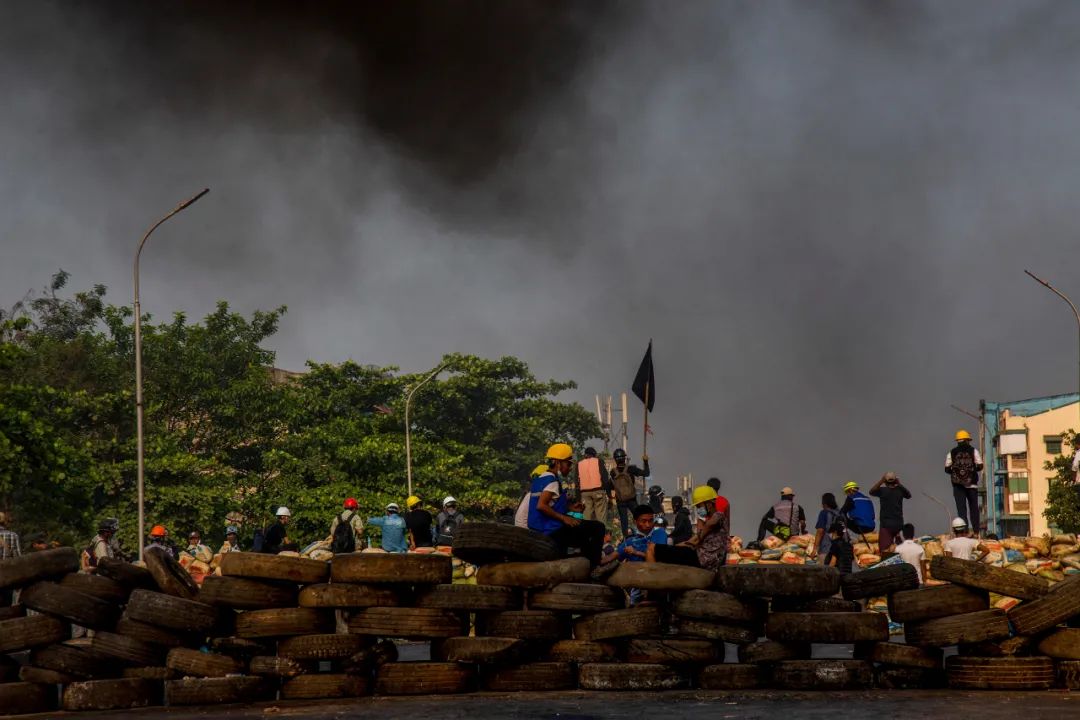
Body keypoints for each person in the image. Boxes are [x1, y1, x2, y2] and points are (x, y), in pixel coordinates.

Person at [527, 443, 605, 566]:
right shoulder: (552, 481)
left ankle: (583, 564)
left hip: (543, 528)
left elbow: (552, 504)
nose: (570, 468)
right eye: (568, 464)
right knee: (598, 528)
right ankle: (594, 567)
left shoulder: (541, 479)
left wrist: (571, 508)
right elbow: (541, 505)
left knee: (582, 531)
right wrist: (565, 518)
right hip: (551, 530)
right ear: (558, 463)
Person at [647, 485, 730, 572]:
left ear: (709, 504)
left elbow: (707, 527)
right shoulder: (709, 522)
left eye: (699, 506)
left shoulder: (718, 516)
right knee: (662, 550)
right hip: (698, 556)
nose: (698, 509)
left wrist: (702, 527)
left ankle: (651, 582)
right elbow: (694, 540)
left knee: (652, 548)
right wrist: (680, 545)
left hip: (700, 559)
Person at [946, 430, 983, 534]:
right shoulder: (973, 451)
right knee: (974, 509)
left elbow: (947, 469)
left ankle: (965, 532)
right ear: (967, 440)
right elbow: (980, 465)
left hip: (958, 486)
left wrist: (957, 474)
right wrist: (970, 473)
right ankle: (976, 532)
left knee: (962, 510)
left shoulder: (952, 452)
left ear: (957, 441)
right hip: (972, 485)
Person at [610, 448, 651, 537]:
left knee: (624, 521)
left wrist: (610, 497)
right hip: (631, 499)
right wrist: (646, 462)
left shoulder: (613, 472)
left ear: (615, 459)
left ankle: (626, 539)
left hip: (620, 500)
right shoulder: (631, 469)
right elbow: (646, 473)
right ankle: (644, 534)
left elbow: (611, 486)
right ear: (624, 458)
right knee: (639, 517)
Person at [869, 472, 911, 553]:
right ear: (895, 481)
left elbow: (871, 492)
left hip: (886, 526)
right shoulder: (900, 491)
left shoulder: (882, 491)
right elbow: (908, 495)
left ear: (885, 481)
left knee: (885, 552)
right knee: (899, 550)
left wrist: (881, 481)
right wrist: (899, 484)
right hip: (898, 524)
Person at [577, 447, 614, 523]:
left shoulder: (579, 464)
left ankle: (587, 534)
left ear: (585, 455)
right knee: (601, 518)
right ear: (595, 455)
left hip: (584, 494)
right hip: (598, 491)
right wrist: (609, 496)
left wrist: (578, 500)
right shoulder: (599, 461)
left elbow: (577, 484)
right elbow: (605, 479)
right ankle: (600, 533)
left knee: (586, 517)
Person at [809, 493, 841, 563]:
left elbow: (820, 531)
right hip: (840, 552)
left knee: (825, 572)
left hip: (826, 550)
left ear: (825, 503)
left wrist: (815, 549)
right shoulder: (840, 514)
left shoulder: (824, 513)